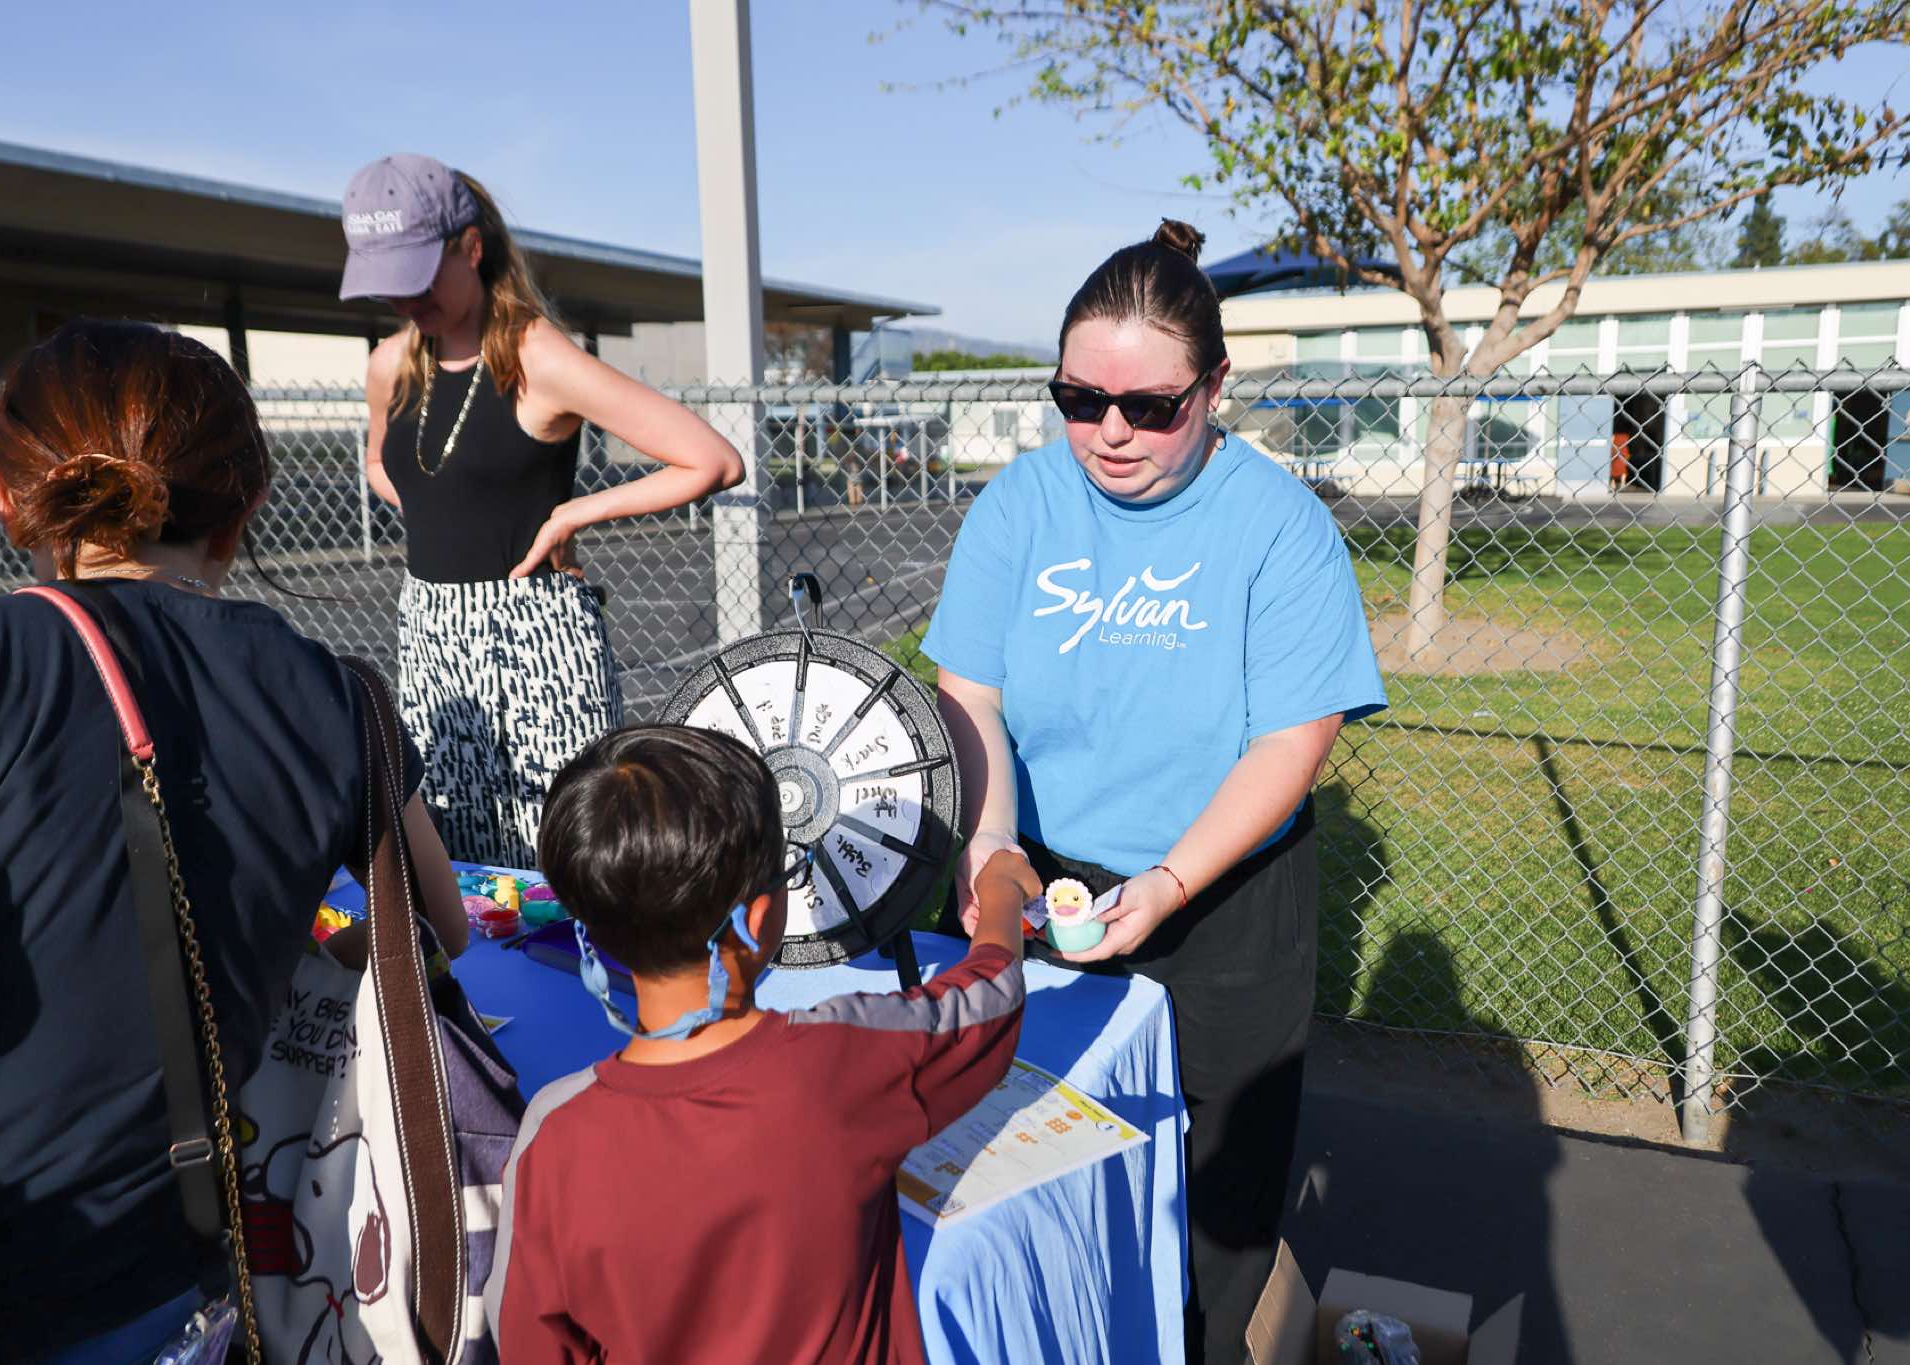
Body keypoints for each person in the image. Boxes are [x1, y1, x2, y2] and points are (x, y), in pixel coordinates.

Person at [919, 220, 1388, 1362]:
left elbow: (1290, 741)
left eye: (1148, 406)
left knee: (1210, 1203)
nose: (1111, 431)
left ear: (1214, 390)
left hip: (1219, 895)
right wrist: (990, 842)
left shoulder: (1279, 526)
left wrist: (1170, 883)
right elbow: (969, 694)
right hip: (1033, 881)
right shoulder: (1020, 504)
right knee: (1012, 1161)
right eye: (1080, 401)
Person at [0, 320, 467, 1362]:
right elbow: (439, 924)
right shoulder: (334, 694)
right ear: (245, 509)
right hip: (195, 1279)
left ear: (3, 496)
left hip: (11, 1273)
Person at [485, 726, 1031, 1364]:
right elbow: (989, 1000)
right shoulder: (843, 1061)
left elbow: (527, 1340)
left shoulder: (552, 1136)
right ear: (762, 916)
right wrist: (1000, 892)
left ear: (593, 935)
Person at [340, 154, 746, 868]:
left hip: (536, 636)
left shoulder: (539, 357)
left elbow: (711, 460)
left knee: (565, 857)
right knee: (455, 862)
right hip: (431, 634)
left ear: (470, 247)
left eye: (419, 277)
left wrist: (570, 516)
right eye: (388, 282)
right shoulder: (390, 365)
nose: (406, 300)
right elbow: (380, 464)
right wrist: (444, 505)